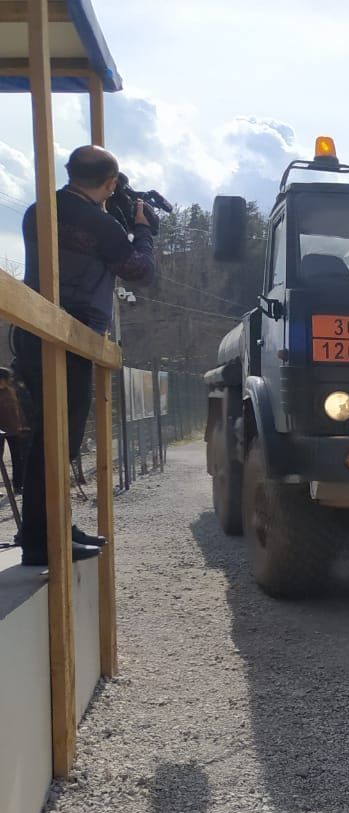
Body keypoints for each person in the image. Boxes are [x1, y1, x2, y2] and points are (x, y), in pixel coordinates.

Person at [14, 145, 156, 567]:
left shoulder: (38, 210)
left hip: (33, 330)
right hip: (69, 337)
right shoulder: (102, 224)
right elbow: (140, 271)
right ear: (111, 184)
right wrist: (143, 231)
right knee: (60, 440)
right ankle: (43, 540)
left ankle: (48, 527)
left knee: (47, 437)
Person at [0, 366, 28, 494]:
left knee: (18, 458)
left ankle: (18, 485)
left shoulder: (12, 391)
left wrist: (22, 424)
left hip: (14, 430)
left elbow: (18, 410)